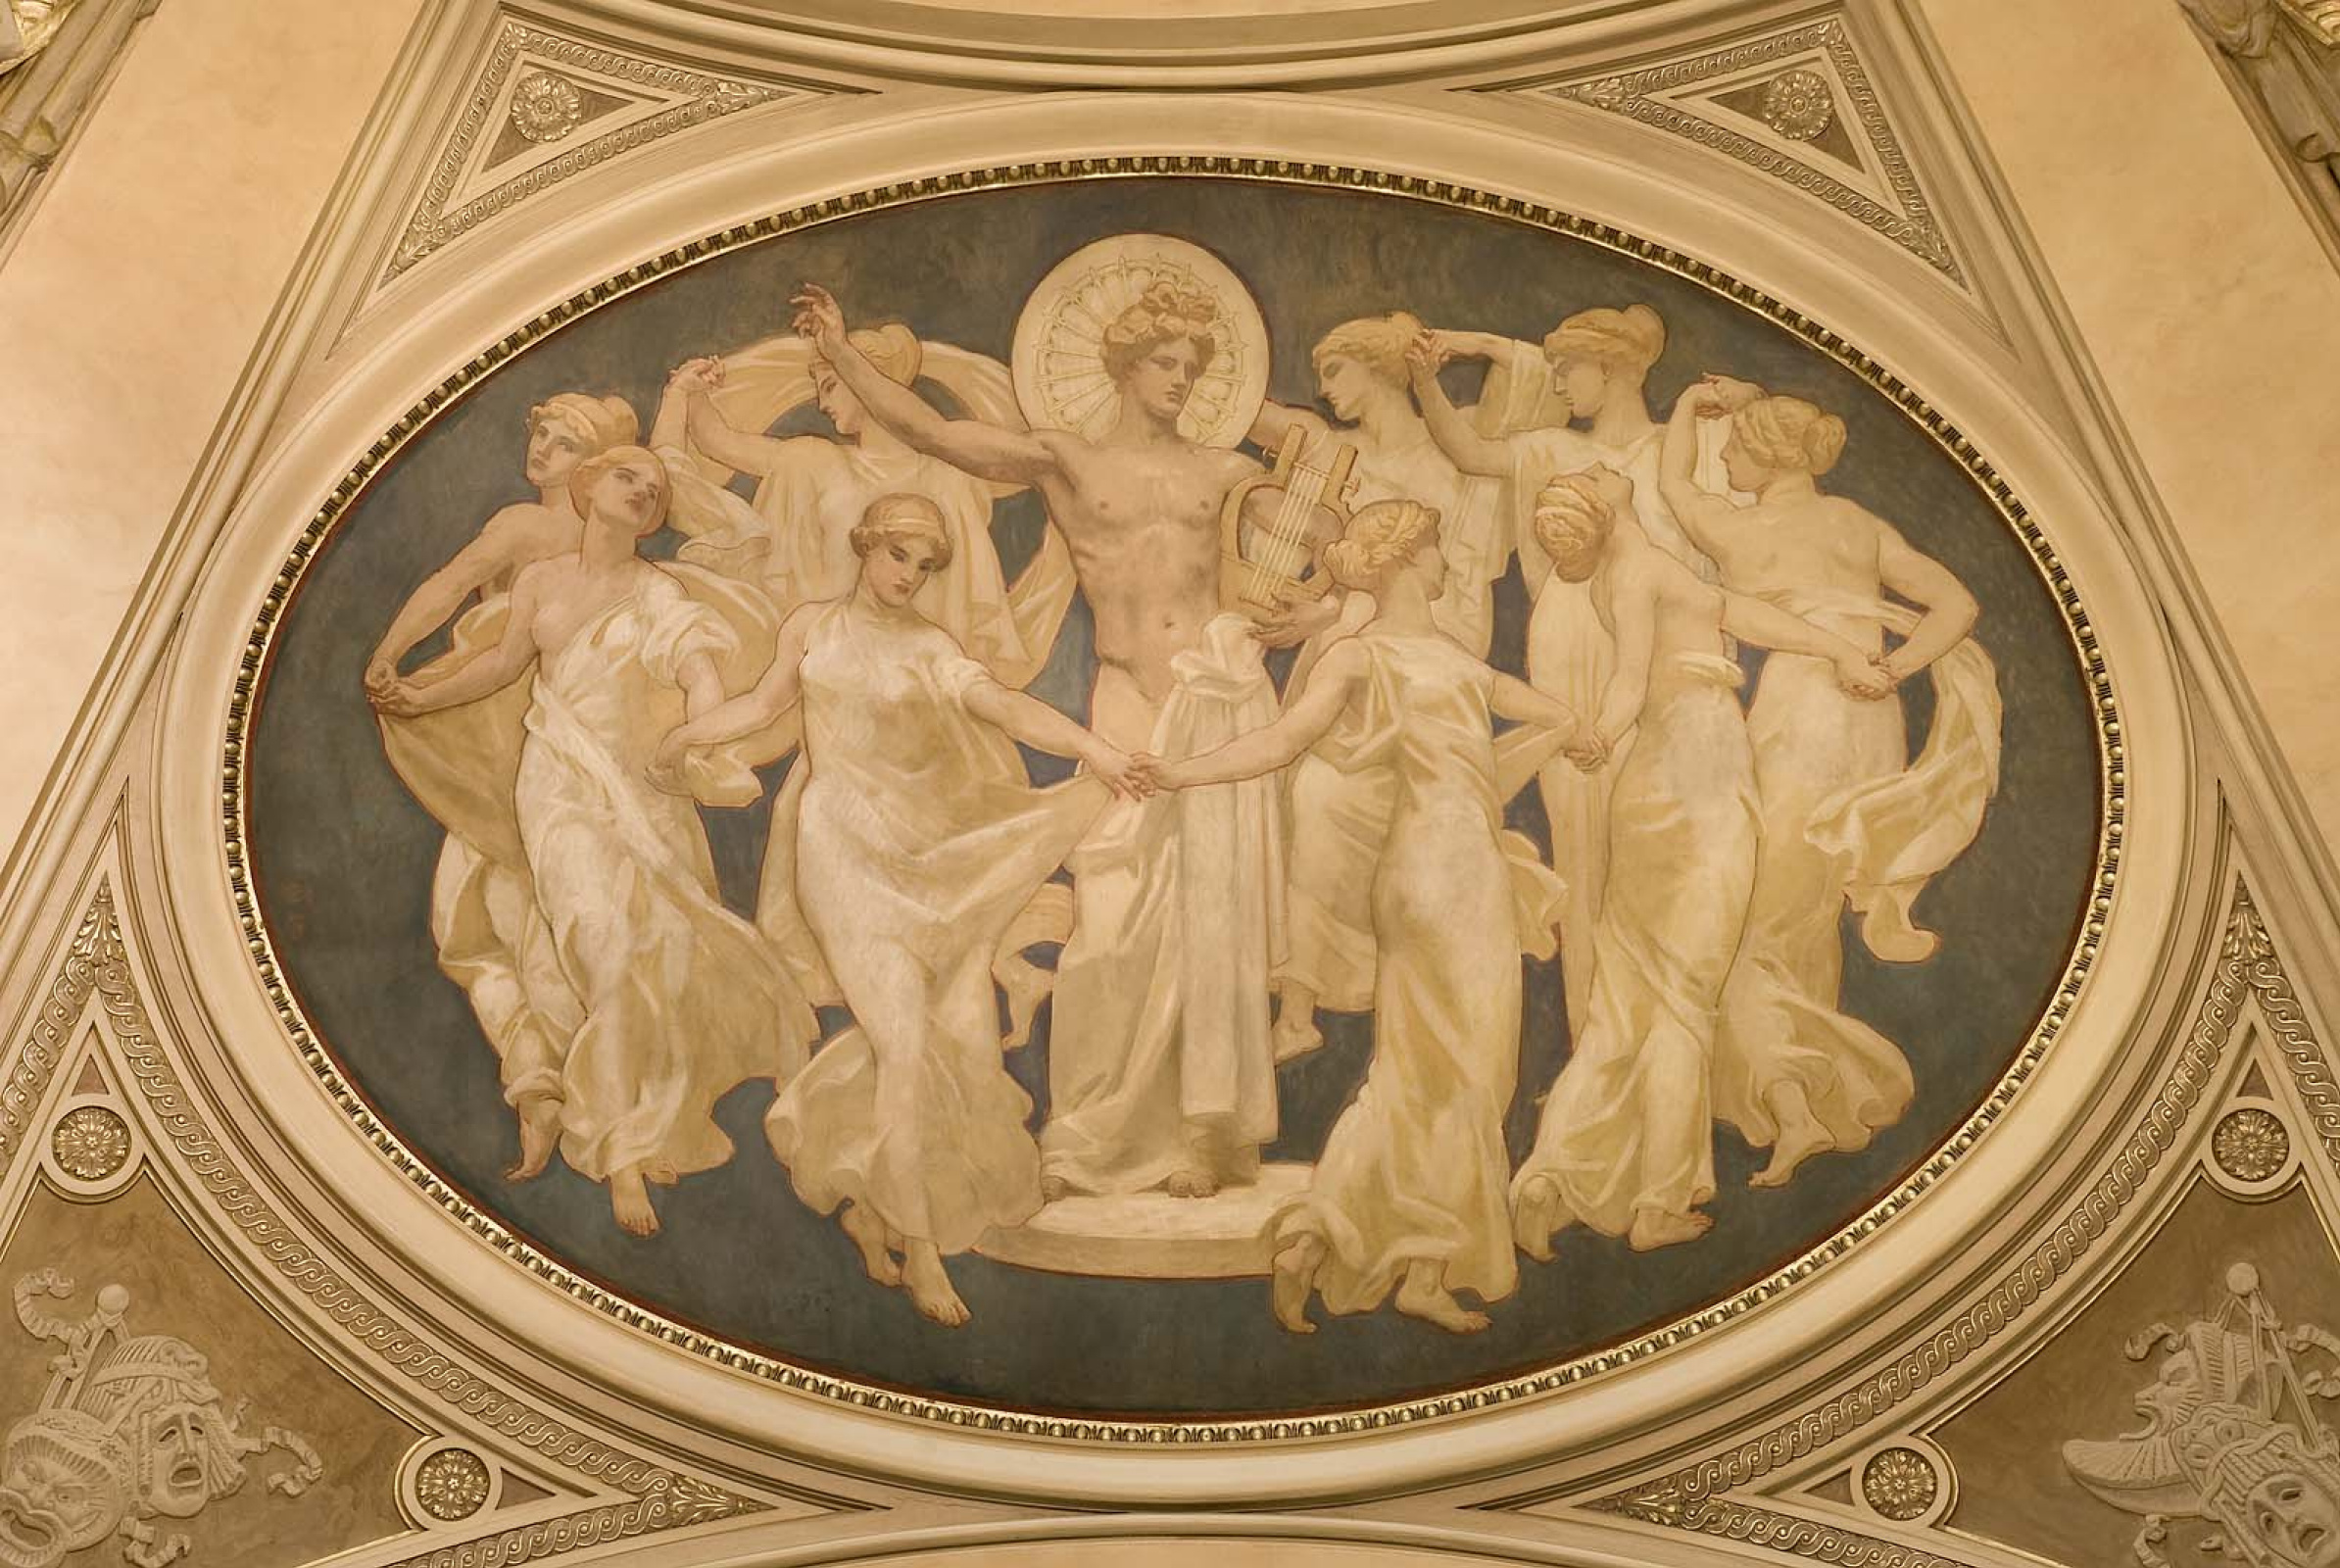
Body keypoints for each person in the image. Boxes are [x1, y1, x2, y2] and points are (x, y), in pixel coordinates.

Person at [791, 277, 1283, 1201]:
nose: (1180, 379)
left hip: (1217, 698)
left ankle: (1204, 1133)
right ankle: (1091, 1132)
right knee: (1111, 926)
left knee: (1211, 920)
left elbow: (1305, 557)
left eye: (1192, 366)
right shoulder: (1066, 460)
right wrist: (843, 351)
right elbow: (937, 434)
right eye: (1164, 362)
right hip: (1125, 698)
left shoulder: (1224, 472)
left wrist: (1299, 608)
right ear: (1124, 367)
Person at [654, 494, 1146, 1326]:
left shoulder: (930, 647)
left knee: (955, 1047)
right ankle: (921, 1248)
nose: (909, 575)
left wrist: (1091, 748)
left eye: (924, 565)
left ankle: (869, 1200)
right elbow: (762, 706)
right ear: (866, 547)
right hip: (840, 850)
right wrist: (683, 739)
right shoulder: (812, 626)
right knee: (906, 1044)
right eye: (898, 556)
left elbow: (1007, 707)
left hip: (927, 857)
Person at [1139, 500, 1572, 1335]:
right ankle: (1417, 1264)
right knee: (1471, 1074)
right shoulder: (1390, 657)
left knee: (1414, 1072)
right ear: (1405, 559)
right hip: (1454, 876)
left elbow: (1529, 717)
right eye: (1437, 548)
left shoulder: (1415, 656)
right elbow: (1281, 744)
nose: (1447, 562)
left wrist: (1566, 729)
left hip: (1421, 871)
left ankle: (1321, 1240)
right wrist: (1183, 773)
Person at [371, 446, 815, 1239]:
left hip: (643, 790)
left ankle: (637, 1127)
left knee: (661, 956)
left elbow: (699, 671)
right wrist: (420, 697)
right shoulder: (542, 581)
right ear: (589, 487)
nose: (642, 492)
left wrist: (696, 736)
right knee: (601, 946)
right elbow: (501, 665)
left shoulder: (658, 591)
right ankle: (619, 1151)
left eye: (654, 490)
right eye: (627, 478)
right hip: (558, 784)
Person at [1507, 469, 1892, 1254]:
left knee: (1625, 1002)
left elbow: (1735, 612)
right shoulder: (1637, 575)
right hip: (1696, 771)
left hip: (1660, 779)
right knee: (1684, 1001)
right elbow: (1629, 676)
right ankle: (1659, 1201)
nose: (1605, 468)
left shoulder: (1650, 570)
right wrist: (1602, 733)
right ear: (1606, 510)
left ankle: (1551, 1177)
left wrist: (1834, 647)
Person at [1658, 384, 1999, 1189]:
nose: (1724, 459)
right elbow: (1957, 604)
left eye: (1736, 447)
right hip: (1872, 727)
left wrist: (1691, 402)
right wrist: (1895, 670)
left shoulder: (1740, 529)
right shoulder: (1857, 524)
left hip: (1802, 713)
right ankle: (1807, 1099)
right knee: (1803, 919)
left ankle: (1796, 1105)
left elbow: (1674, 484)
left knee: (1745, 921)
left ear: (1768, 454)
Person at [1407, 307, 1714, 1035]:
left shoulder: (1680, 452)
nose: (1559, 384)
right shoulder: (1551, 448)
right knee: (1580, 847)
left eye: (1569, 369)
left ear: (1614, 369)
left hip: (1666, 668)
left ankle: (1659, 1046)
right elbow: (1467, 451)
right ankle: (1593, 1044)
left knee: (1661, 850)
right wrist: (1425, 378)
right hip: (1569, 652)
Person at [365, 393, 637, 1136]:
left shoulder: (533, 528)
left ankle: (567, 1086)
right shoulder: (612, 553)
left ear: (596, 469)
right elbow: (456, 587)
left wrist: (392, 654)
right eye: (542, 432)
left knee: (493, 914)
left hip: (520, 727)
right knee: (523, 909)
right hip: (548, 729)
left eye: (566, 443)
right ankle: (552, 1079)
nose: (543, 448)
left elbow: (453, 585)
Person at [1240, 312, 1508, 1061]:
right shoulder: (1334, 453)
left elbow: (1452, 587)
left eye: (1335, 370)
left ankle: (1416, 1018)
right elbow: (1248, 419)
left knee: (1411, 839)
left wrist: (1467, 344)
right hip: (1345, 654)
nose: (1324, 388)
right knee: (1310, 803)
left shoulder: (1453, 455)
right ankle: (1299, 1008)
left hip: (1424, 665)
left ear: (1380, 367)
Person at [649, 325, 1042, 678]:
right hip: (825, 659)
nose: (822, 403)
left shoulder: (949, 477)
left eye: (831, 385)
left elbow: (1025, 468)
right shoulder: (813, 460)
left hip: (916, 668)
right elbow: (718, 442)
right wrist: (685, 393)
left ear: (867, 381)